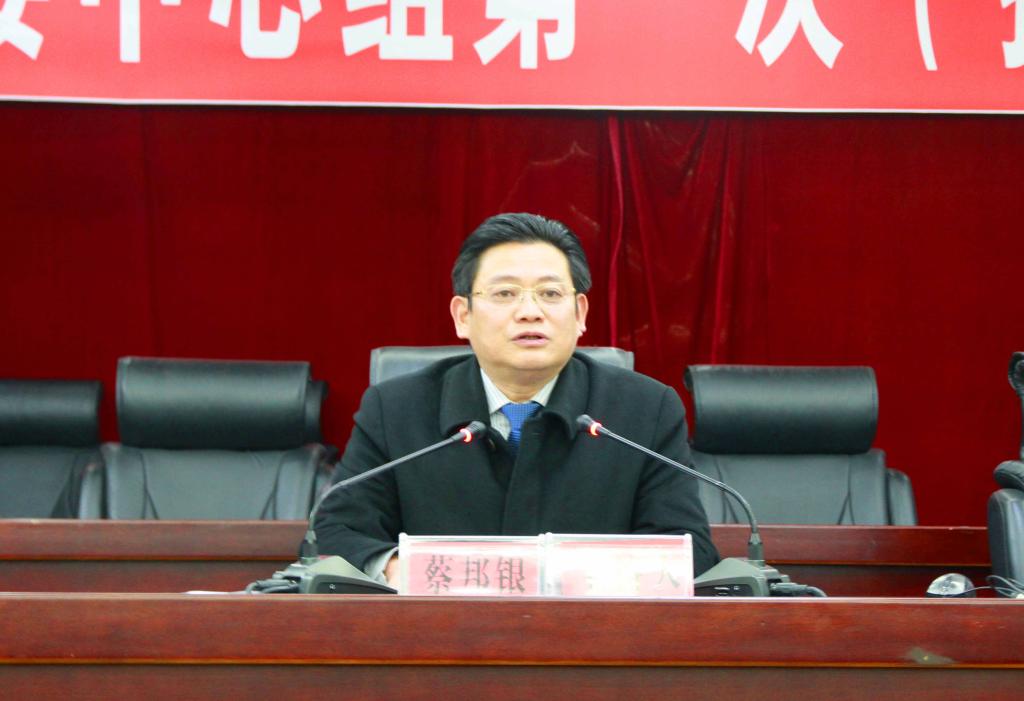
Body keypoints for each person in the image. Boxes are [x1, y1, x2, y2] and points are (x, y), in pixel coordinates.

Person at [314, 212, 719, 581]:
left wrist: (572, 578)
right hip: (440, 632)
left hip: (590, 632)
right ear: (462, 316)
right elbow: (335, 532)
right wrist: (398, 569)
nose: (529, 311)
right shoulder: (395, 409)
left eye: (550, 294)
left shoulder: (646, 411)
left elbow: (688, 550)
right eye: (505, 293)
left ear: (580, 314)